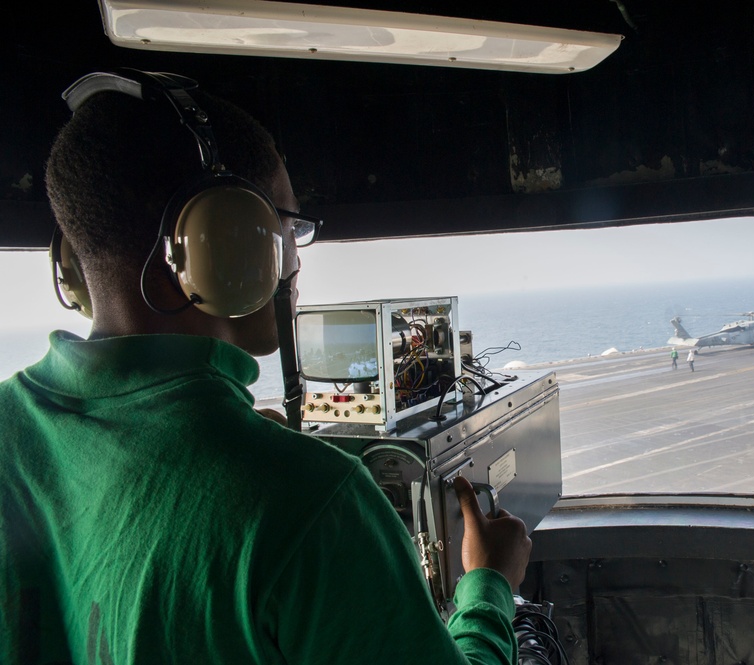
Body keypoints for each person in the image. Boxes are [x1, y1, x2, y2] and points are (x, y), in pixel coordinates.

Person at [0, 71, 530, 663]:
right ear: (228, 240)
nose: (293, 257)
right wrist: (489, 588)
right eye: (288, 225)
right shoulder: (310, 503)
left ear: (71, 261)